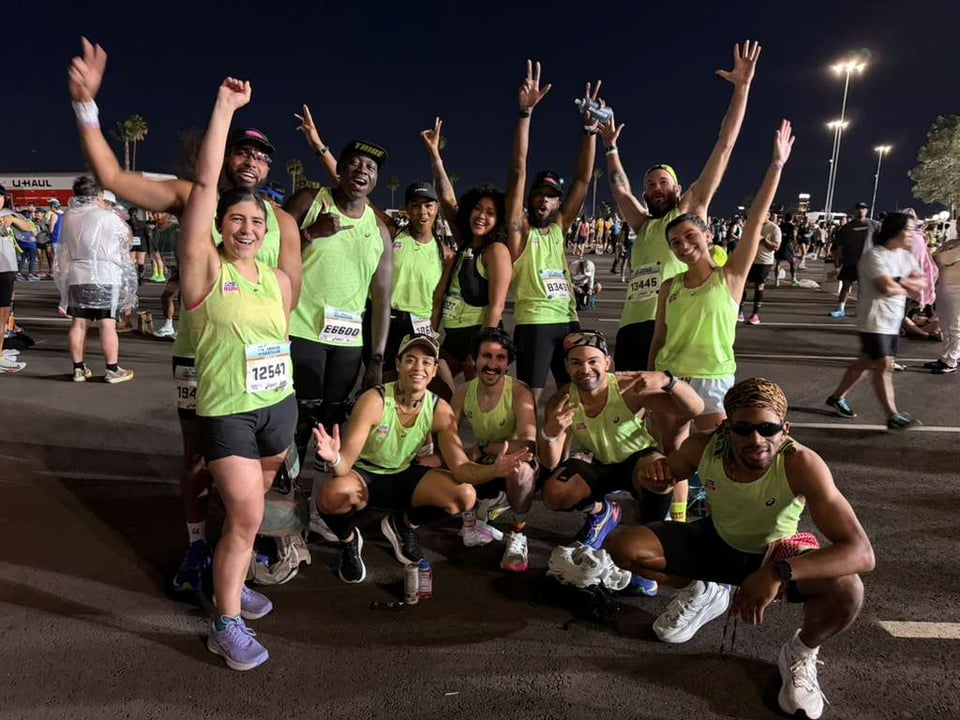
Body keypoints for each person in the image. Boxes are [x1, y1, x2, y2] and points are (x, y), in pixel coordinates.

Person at [68, 37, 303, 592]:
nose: (250, 159)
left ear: (270, 168)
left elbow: (289, 301)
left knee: (258, 467)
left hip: (262, 367)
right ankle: (199, 547)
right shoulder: (191, 201)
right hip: (200, 357)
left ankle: (239, 552)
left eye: (261, 154)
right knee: (198, 458)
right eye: (241, 150)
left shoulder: (284, 227)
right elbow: (112, 177)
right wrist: (86, 106)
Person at [606, 378, 875, 720]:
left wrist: (778, 572)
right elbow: (660, 474)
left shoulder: (800, 463)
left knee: (847, 588)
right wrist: (651, 467)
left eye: (768, 428)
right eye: (744, 429)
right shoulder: (703, 447)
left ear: (785, 428)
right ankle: (702, 591)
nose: (756, 440)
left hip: (775, 552)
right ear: (726, 428)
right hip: (717, 539)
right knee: (623, 546)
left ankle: (801, 651)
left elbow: (861, 552)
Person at [178, 76, 295, 671]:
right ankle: (223, 624)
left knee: (248, 513)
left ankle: (235, 580)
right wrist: (224, 106)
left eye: (257, 222)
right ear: (220, 225)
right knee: (246, 514)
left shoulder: (274, 280)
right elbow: (203, 184)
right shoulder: (204, 269)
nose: (247, 228)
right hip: (229, 410)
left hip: (280, 408)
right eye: (236, 220)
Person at [650, 119, 795, 521]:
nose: (683, 246)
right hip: (671, 379)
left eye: (690, 238)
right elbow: (658, 338)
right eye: (676, 242)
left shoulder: (729, 277)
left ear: (708, 236)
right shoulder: (671, 286)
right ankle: (676, 519)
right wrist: (652, 381)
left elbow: (755, 220)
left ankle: (722, 518)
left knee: (720, 458)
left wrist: (776, 165)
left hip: (713, 380)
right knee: (674, 456)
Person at [312, 333, 531, 583]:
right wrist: (333, 459)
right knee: (331, 494)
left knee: (465, 495)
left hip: (404, 475)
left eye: (427, 362)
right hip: (365, 475)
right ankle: (349, 541)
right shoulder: (374, 400)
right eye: (411, 360)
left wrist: (495, 470)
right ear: (398, 365)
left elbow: (460, 468)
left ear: (435, 370)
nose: (418, 368)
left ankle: (403, 524)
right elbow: (344, 467)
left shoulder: (439, 409)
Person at [600, 41, 760, 371]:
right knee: (630, 411)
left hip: (670, 326)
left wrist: (741, 89)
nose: (656, 188)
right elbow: (619, 190)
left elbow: (724, 146)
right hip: (631, 325)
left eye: (663, 182)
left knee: (665, 414)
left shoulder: (688, 214)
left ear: (679, 189)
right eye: (650, 185)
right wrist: (611, 147)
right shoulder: (643, 225)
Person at [538, 330, 704, 573]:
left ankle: (652, 538)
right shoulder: (560, 402)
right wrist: (550, 433)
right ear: (566, 366)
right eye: (576, 363)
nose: (585, 369)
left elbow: (695, 409)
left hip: (636, 459)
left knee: (661, 474)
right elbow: (550, 461)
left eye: (593, 361)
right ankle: (603, 513)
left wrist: (669, 381)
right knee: (554, 493)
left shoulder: (628, 388)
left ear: (607, 362)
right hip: (596, 461)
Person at [282, 138, 393, 470]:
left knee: (331, 421)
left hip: (348, 342)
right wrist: (311, 233)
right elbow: (268, 252)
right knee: (300, 417)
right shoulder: (309, 201)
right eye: (355, 164)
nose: (362, 171)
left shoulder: (380, 231)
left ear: (375, 180)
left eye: (371, 168)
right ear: (340, 170)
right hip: (302, 330)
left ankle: (316, 497)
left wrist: (375, 359)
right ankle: (283, 489)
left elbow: (383, 301)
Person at [504, 61, 596, 404]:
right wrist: (525, 115)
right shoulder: (520, 230)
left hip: (569, 320)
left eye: (551, 197)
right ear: (530, 200)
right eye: (539, 195)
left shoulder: (559, 227)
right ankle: (528, 451)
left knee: (573, 397)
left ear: (558, 203)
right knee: (530, 397)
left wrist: (589, 132)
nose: (544, 201)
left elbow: (584, 181)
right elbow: (517, 169)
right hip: (535, 323)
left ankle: (560, 453)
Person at [421, 118, 512, 381]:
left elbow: (496, 306)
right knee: (436, 386)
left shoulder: (495, 250)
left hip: (480, 335)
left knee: (480, 408)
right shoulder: (465, 243)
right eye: (477, 209)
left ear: (499, 220)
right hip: (454, 336)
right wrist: (435, 155)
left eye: (490, 213)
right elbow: (447, 200)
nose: (481, 216)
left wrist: (481, 348)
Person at [825, 212, 926, 428]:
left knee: (865, 361)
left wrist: (899, 283)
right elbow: (885, 287)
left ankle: (837, 397)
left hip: (893, 319)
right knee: (884, 365)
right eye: (909, 229)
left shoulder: (906, 256)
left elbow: (921, 283)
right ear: (896, 230)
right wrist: (904, 284)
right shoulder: (875, 256)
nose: (912, 234)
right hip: (874, 319)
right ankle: (892, 415)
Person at [450, 328, 538, 571]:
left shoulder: (519, 392)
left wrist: (484, 447)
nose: (492, 364)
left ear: (507, 364)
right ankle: (487, 505)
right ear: (474, 360)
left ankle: (519, 533)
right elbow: (447, 435)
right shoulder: (463, 392)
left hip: (512, 461)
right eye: (486, 356)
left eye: (500, 358)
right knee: (441, 465)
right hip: (485, 463)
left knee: (521, 471)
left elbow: (528, 444)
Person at [54, 176, 137, 383]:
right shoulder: (107, 217)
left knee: (78, 323)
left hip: (77, 275)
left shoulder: (69, 216)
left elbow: (64, 248)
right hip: (105, 275)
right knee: (107, 324)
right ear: (97, 194)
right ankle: (112, 369)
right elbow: (126, 240)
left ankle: (78, 368)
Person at [0, 186, 35, 374]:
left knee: (3, 314)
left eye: (0, 197)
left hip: (7, 270)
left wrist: (13, 219)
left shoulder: (8, 214)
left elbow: (31, 228)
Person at [829, 203, 877, 318]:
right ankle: (840, 309)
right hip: (850, 261)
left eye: (863, 209)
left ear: (867, 211)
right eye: (858, 209)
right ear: (854, 211)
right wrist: (837, 259)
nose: (861, 211)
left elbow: (882, 242)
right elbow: (839, 245)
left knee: (863, 287)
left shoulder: (874, 225)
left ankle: (860, 309)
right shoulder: (847, 227)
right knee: (846, 285)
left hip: (867, 262)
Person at [737, 210, 780, 325]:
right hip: (750, 260)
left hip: (764, 262)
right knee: (743, 285)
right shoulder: (753, 226)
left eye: (763, 215)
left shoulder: (774, 229)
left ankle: (755, 314)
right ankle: (739, 312)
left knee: (759, 286)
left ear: (768, 216)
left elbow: (776, 247)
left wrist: (763, 240)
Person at [925, 234, 960, 374]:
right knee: (945, 325)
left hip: (956, 289)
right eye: (958, 223)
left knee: (955, 326)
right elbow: (933, 256)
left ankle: (952, 360)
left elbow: (940, 258)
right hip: (943, 287)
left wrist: (941, 257)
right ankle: (945, 357)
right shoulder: (952, 242)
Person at [152, 212, 180, 339]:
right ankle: (169, 326)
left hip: (185, 269)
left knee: (183, 299)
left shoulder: (176, 229)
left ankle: (183, 330)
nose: (157, 216)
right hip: (174, 270)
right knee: (166, 297)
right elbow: (156, 250)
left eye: (160, 213)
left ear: (168, 215)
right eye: (154, 213)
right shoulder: (155, 231)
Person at [774, 212, 800, 287]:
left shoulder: (780, 226)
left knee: (778, 263)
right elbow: (794, 237)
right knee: (792, 262)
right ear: (791, 218)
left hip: (780, 244)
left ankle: (776, 280)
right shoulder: (792, 227)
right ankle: (793, 279)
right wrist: (796, 246)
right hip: (788, 245)